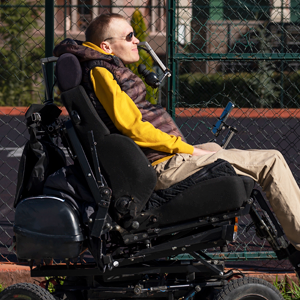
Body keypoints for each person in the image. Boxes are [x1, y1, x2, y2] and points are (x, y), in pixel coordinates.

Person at [54, 13, 300, 252]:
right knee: (271, 160)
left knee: (216, 150)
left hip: (158, 161)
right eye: (129, 36)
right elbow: (133, 128)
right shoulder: (101, 72)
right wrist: (189, 150)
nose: (137, 40)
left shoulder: (100, 68)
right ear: (106, 46)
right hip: (163, 166)